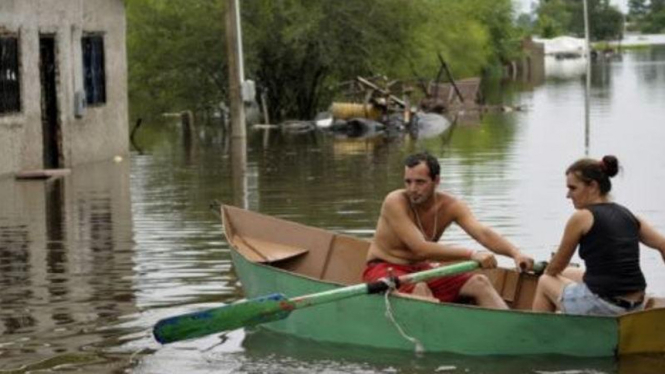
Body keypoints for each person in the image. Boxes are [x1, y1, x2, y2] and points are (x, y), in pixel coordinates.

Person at [363, 152, 534, 309]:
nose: (412, 189)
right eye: (408, 181)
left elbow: (482, 233)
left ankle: (510, 332)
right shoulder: (395, 201)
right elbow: (420, 248)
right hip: (384, 268)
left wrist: (515, 253)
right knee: (420, 289)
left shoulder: (451, 206)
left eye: (420, 182)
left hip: (420, 268)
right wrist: (471, 254)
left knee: (480, 282)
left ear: (436, 181)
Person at [532, 155, 665, 315]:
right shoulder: (628, 215)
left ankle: (537, 337)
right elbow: (663, 245)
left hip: (605, 306)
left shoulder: (581, 217)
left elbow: (555, 268)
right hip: (636, 304)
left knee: (545, 281)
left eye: (573, 188)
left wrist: (546, 269)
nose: (568, 195)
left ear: (593, 186)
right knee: (568, 273)